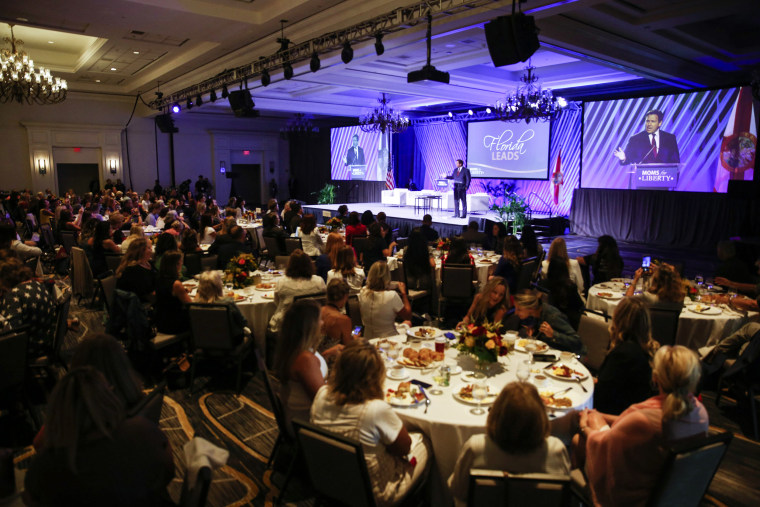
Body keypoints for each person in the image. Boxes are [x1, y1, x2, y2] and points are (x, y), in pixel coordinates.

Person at [24, 367, 175, 507]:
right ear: (107, 398)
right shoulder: (142, 431)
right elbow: (167, 474)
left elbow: (31, 500)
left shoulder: (44, 467)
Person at [579, 345, 708, 506]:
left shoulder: (644, 420)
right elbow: (628, 423)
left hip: (635, 497)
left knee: (578, 440)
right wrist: (598, 416)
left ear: (655, 377)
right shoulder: (700, 413)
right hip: (673, 493)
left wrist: (586, 428)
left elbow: (605, 445)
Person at [310, 341, 430, 507]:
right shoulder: (375, 409)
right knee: (425, 441)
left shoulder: (321, 394)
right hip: (374, 495)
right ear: (375, 375)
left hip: (329, 481)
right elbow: (405, 448)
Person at [449, 382, 571, 506]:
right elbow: (563, 497)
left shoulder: (477, 447)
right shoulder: (556, 449)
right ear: (541, 416)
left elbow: (457, 490)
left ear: (496, 413)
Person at [594, 297, 657, 415]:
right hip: (635, 413)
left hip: (615, 416)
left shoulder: (623, 353)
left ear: (619, 319)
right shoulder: (645, 349)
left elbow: (602, 397)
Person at [274, 300, 328, 428]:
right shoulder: (305, 359)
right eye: (320, 319)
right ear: (310, 326)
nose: (322, 323)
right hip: (306, 423)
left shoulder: (294, 348)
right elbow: (322, 402)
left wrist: (328, 354)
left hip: (300, 414)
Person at [0, 255, 56, 357]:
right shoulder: (36, 284)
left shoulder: (14, 295)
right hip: (44, 341)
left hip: (28, 349)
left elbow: (10, 336)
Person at [268, 249, 326, 335]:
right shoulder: (318, 281)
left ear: (290, 265)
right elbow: (323, 301)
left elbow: (277, 303)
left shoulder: (282, 282)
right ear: (309, 265)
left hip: (287, 326)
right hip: (312, 324)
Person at [511, 289, 583, 354]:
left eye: (519, 309)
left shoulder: (553, 316)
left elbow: (577, 341)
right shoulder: (535, 315)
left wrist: (553, 334)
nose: (515, 313)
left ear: (531, 308)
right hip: (546, 353)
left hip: (567, 357)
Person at [194, 270, 249, 345]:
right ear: (219, 286)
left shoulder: (195, 305)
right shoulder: (227, 303)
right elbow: (243, 322)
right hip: (230, 343)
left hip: (204, 342)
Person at [359, 261, 411, 339]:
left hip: (368, 338)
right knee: (408, 322)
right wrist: (403, 294)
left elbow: (375, 288)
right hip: (389, 339)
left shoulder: (362, 291)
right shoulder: (392, 296)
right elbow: (408, 316)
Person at [613, 109, 680, 165]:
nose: (649, 124)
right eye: (647, 121)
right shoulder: (635, 139)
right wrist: (623, 158)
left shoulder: (670, 138)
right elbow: (627, 160)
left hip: (665, 178)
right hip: (642, 178)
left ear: (660, 123)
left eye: (653, 121)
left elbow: (676, 162)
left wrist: (675, 179)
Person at [539, 258, 586, 330]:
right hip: (568, 322)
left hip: (547, 320)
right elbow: (579, 305)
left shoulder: (542, 284)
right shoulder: (569, 286)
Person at [153, 251, 191, 334]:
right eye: (181, 262)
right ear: (177, 264)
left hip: (160, 321)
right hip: (173, 324)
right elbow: (191, 306)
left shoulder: (158, 279)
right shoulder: (176, 284)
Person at [115, 237, 157, 303]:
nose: (151, 250)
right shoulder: (133, 270)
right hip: (138, 306)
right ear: (140, 251)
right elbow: (145, 295)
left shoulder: (148, 263)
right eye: (149, 248)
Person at [321, 278, 354, 355]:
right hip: (333, 361)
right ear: (345, 296)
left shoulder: (317, 311)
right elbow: (348, 348)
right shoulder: (343, 320)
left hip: (316, 357)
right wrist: (354, 339)